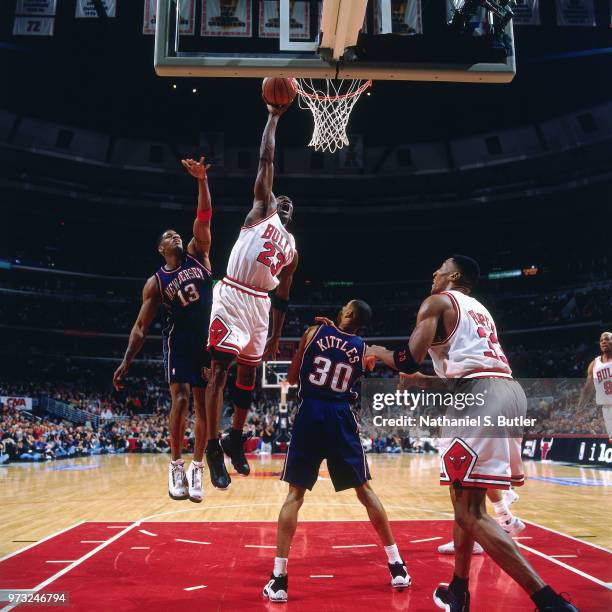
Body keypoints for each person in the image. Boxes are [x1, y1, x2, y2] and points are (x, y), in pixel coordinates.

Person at [368, 256, 577, 612]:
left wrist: (375, 352)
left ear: (455, 275)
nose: (433, 272)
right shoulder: (480, 310)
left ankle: (550, 602)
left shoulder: (437, 302)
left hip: (479, 398)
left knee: (471, 513)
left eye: (440, 268)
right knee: (464, 503)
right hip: (507, 391)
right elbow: (471, 370)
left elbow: (406, 359)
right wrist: (424, 381)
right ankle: (459, 590)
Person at [262, 300, 411, 603]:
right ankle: (397, 566)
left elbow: (291, 378)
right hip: (341, 415)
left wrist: (317, 339)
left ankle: (279, 580)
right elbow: (365, 362)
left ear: (346, 314)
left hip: (311, 413)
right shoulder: (364, 348)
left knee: (295, 495)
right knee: (365, 491)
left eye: (344, 306)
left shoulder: (314, 331)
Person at [205, 102, 298, 489]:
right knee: (221, 370)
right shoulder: (261, 209)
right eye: (283, 199)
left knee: (248, 376)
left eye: (292, 204)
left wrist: (277, 334)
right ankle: (212, 446)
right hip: (232, 294)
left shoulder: (292, 249)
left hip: (261, 306)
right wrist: (273, 117)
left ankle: (235, 438)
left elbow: (283, 297)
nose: (287, 202)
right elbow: (266, 157)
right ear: (274, 202)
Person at [113, 157, 214, 504]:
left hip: (206, 340)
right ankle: (175, 464)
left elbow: (204, 217)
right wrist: (127, 361)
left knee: (204, 406)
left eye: (176, 233)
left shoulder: (198, 253)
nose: (175, 236)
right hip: (179, 340)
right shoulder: (156, 282)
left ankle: (197, 469)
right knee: (182, 399)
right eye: (168, 236)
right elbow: (140, 328)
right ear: (160, 249)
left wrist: (201, 181)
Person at [578, 331, 612, 435]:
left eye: (606, 339)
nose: (603, 342)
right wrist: (580, 407)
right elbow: (588, 388)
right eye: (601, 340)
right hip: (607, 408)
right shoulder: (594, 364)